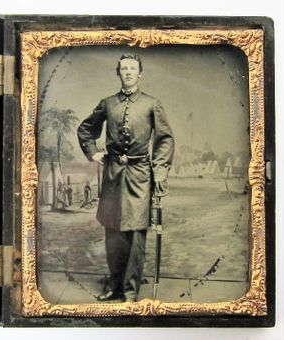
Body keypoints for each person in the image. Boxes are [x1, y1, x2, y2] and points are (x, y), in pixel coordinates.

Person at [77, 54, 174, 302]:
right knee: (113, 232)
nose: (128, 72)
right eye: (124, 68)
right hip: (112, 175)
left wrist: (160, 170)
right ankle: (114, 286)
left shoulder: (152, 104)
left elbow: (164, 140)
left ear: (140, 73)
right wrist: (93, 152)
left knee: (136, 234)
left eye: (133, 68)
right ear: (118, 73)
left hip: (140, 175)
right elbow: (86, 129)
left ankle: (130, 292)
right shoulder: (108, 103)